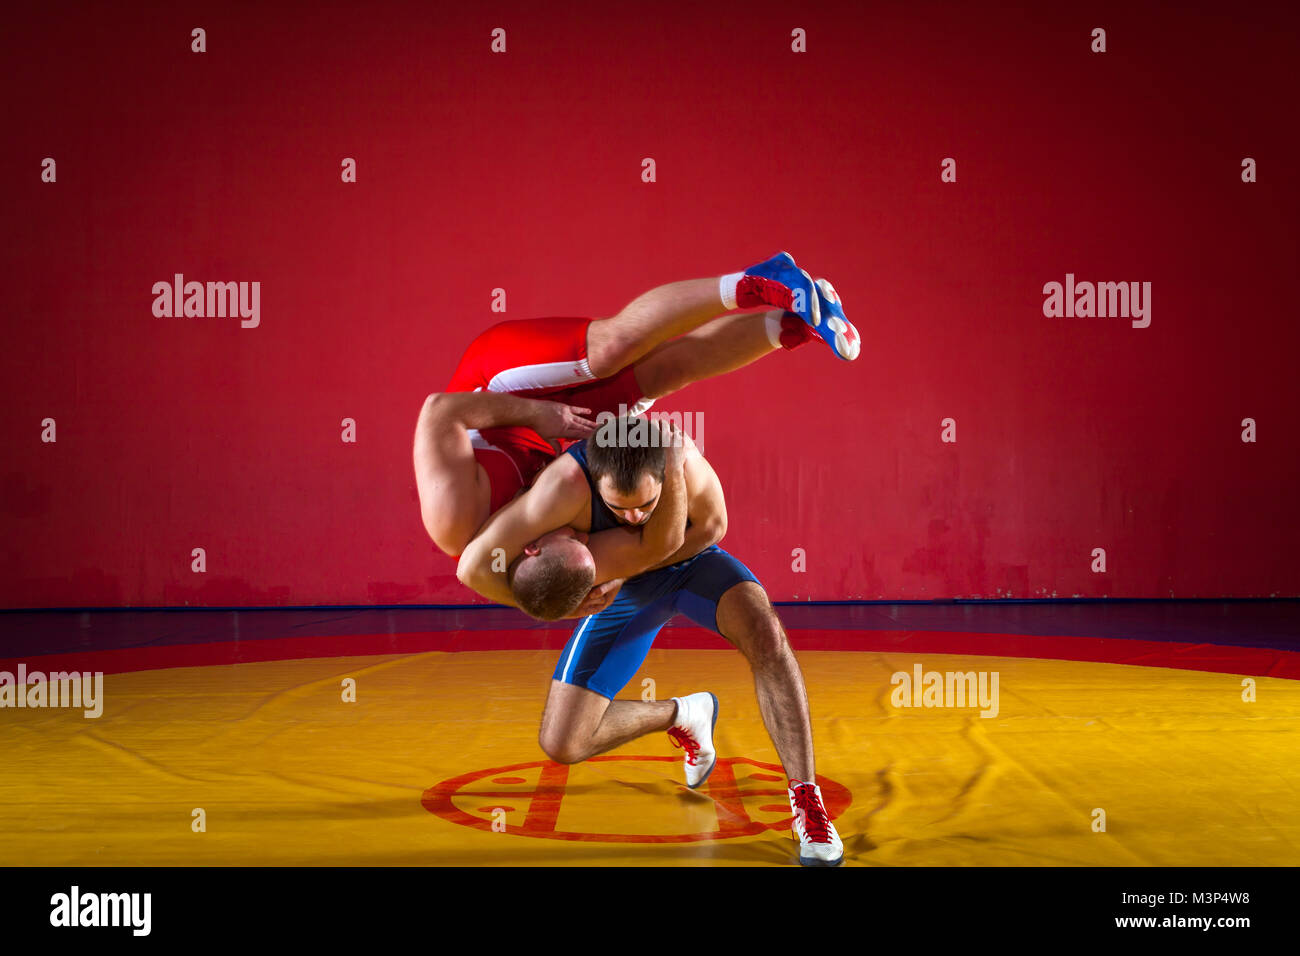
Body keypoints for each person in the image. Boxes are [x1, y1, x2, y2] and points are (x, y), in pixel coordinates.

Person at [455, 417, 844, 865]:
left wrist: (628, 565)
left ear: (663, 473)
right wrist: (554, 606)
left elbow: (713, 527)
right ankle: (684, 714)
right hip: (626, 589)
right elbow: (473, 567)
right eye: (618, 509)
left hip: (689, 563)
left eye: (647, 505)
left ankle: (807, 799)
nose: (635, 517)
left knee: (767, 635)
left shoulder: (684, 460)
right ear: (594, 482)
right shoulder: (562, 485)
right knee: (563, 743)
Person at [413, 252, 859, 565]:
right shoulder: (567, 532)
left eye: (577, 548)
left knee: (612, 348)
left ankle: (760, 281)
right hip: (561, 429)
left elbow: (438, 410)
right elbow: (681, 539)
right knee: (666, 373)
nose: (584, 541)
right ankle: (799, 322)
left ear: (531, 551)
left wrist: (534, 415)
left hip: (495, 389)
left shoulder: (456, 523)